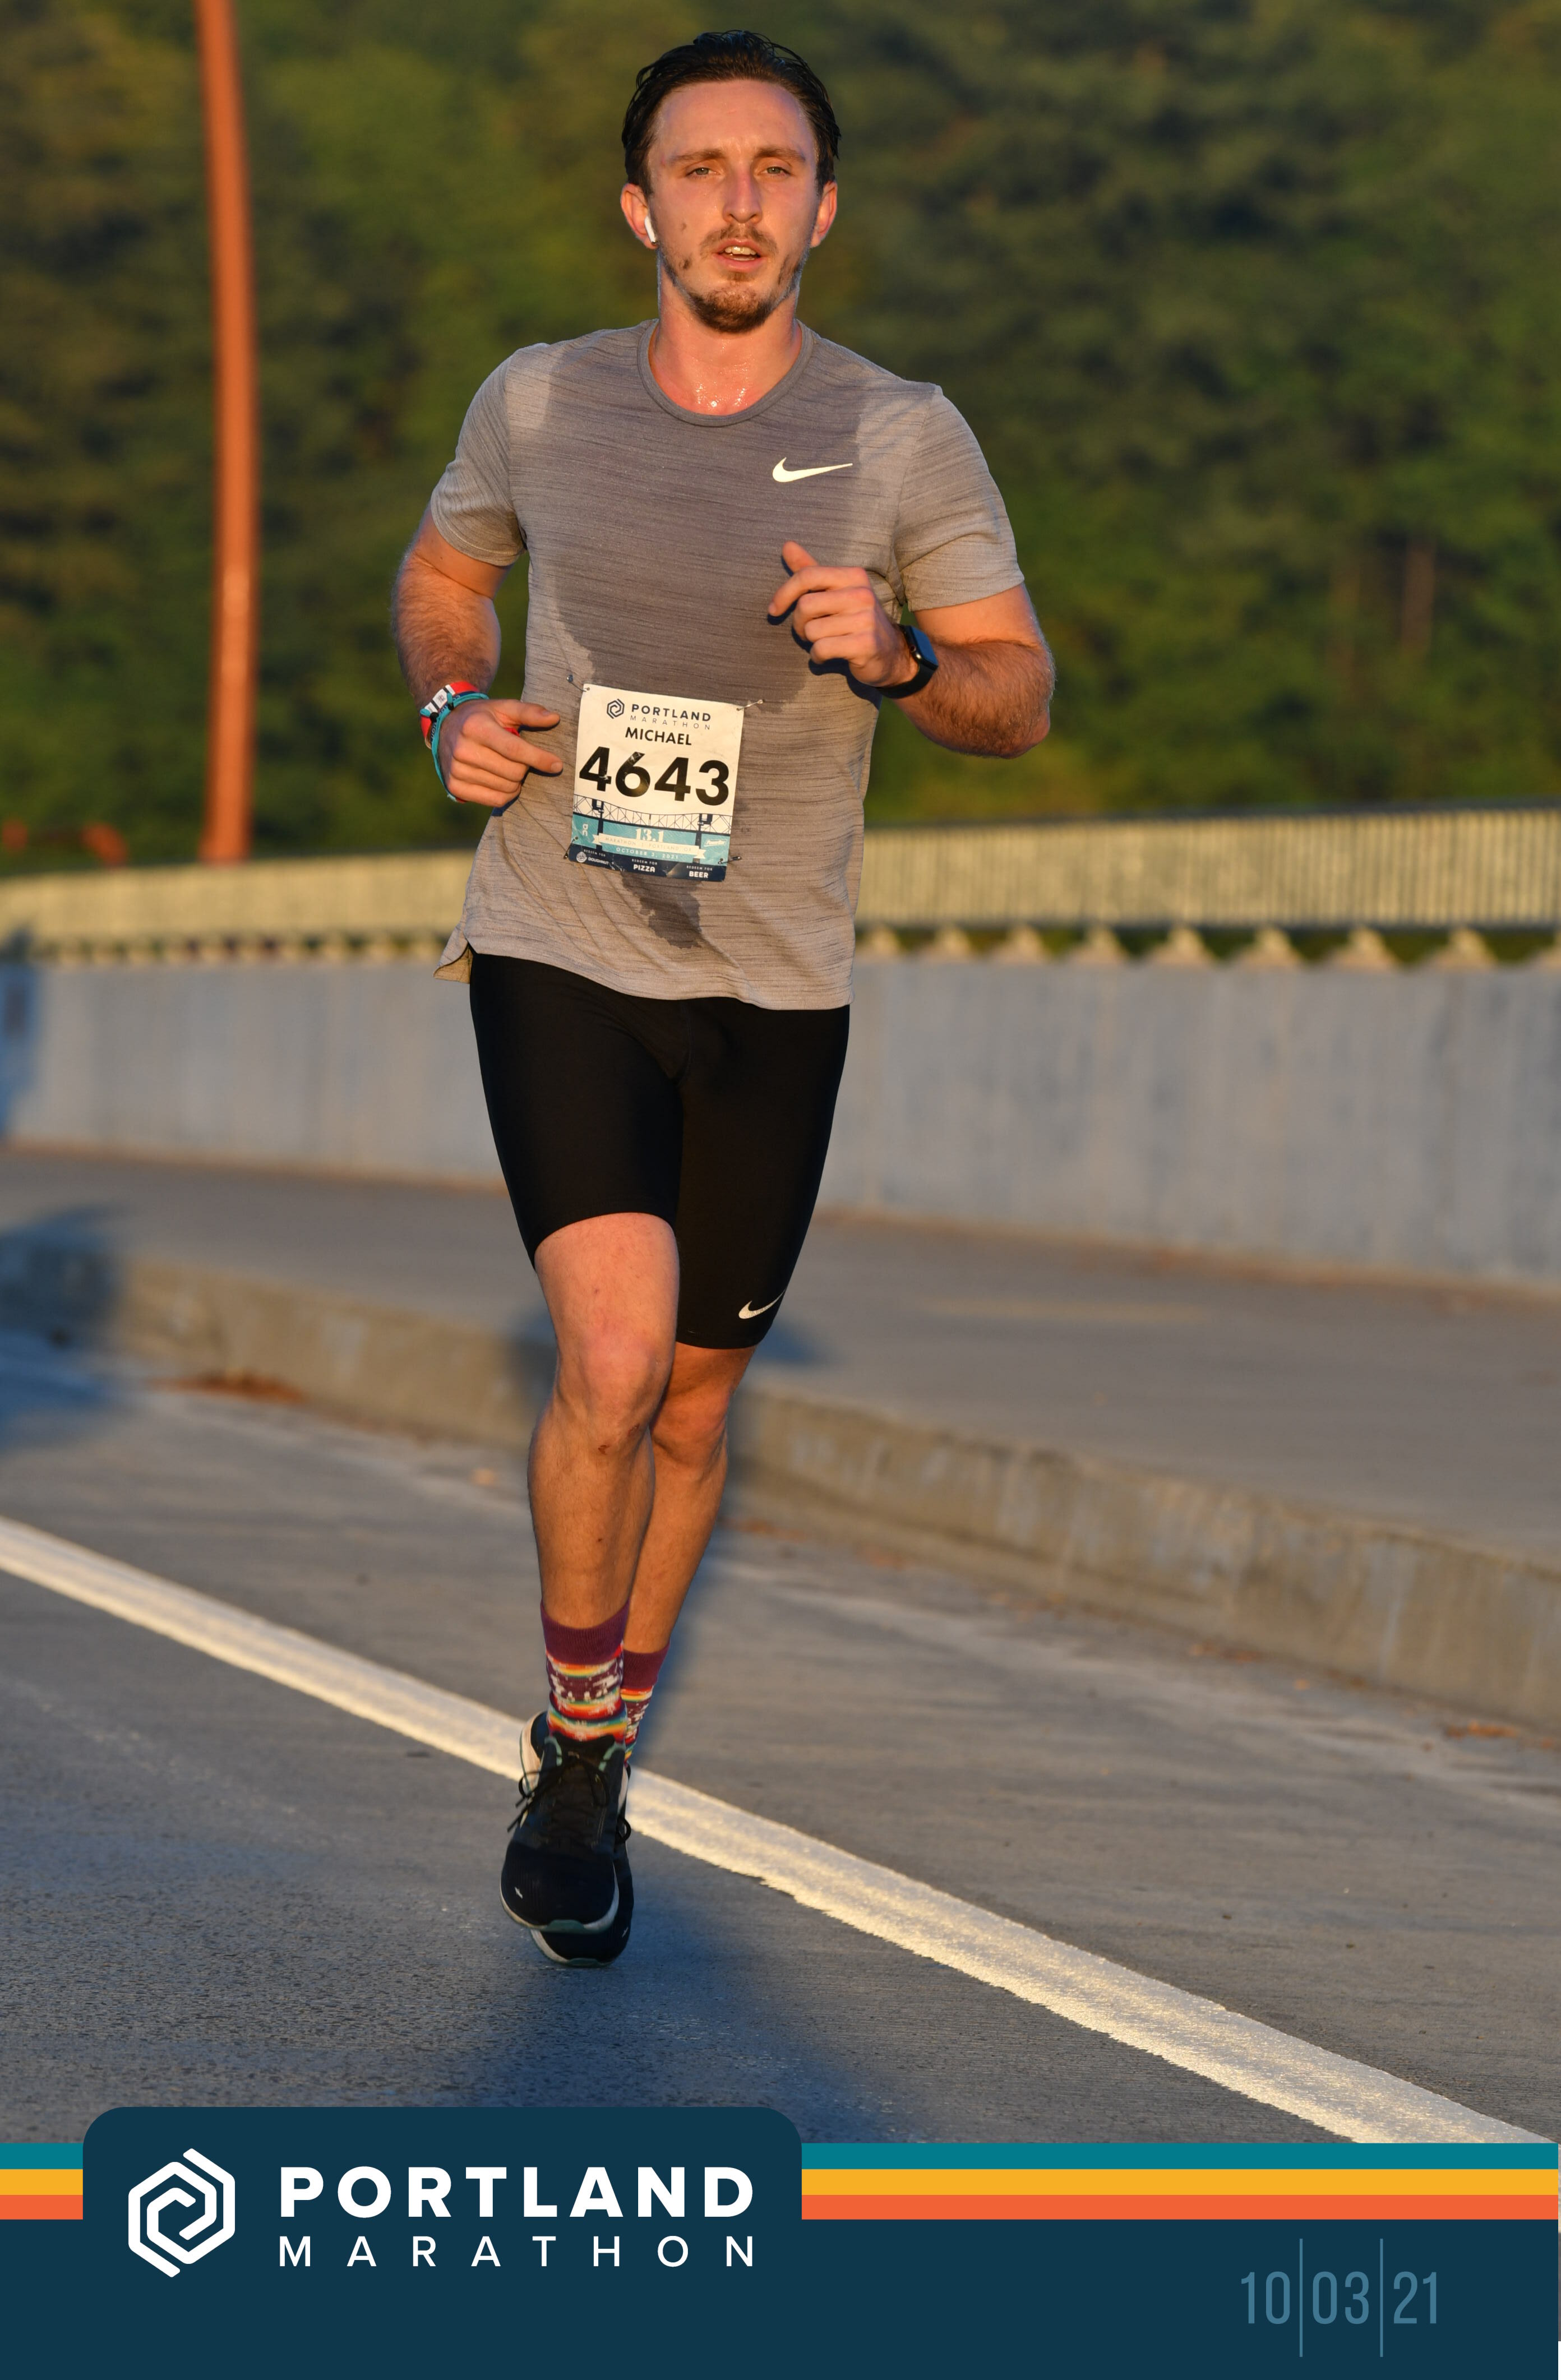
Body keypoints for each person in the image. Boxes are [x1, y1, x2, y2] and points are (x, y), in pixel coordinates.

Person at [391, 30, 1052, 1965]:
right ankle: (577, 1758)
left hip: (775, 981)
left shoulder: (902, 436)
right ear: (641, 208)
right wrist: (451, 704)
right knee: (612, 1362)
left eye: (775, 170)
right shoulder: (540, 400)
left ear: (824, 208)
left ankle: (595, 1737)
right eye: (701, 170)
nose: (738, 204)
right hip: (562, 937)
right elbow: (444, 574)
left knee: (692, 1406)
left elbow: (1018, 696)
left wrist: (902, 655)